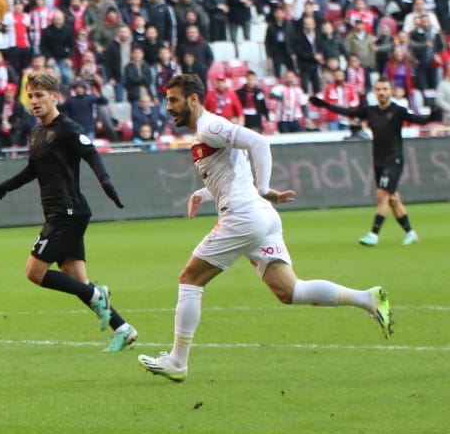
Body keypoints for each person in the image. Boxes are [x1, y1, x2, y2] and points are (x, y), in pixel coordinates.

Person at [139, 73, 392, 383]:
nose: (169, 107)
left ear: (193, 99)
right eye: (167, 100)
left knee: (190, 278)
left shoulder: (210, 126)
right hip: (260, 216)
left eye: (174, 100)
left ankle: (177, 361)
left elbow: (258, 141)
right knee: (290, 291)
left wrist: (264, 186)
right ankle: (366, 298)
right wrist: (203, 194)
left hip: (244, 216)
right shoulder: (205, 133)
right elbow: (234, 174)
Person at [0, 71, 137, 352]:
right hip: (60, 212)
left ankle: (98, 294)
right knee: (77, 279)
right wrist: (6, 186)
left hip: (67, 213)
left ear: (54, 96)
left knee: (34, 272)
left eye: (40, 95)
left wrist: (106, 182)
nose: (34, 101)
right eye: (31, 95)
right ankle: (123, 328)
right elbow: (33, 170)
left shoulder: (67, 127)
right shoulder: (38, 131)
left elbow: (90, 153)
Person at [309, 76, 441, 246]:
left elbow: (419, 120)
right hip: (378, 159)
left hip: (394, 159)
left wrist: (432, 116)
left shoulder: (398, 111)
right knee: (393, 198)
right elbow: (348, 112)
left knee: (382, 195)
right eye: (378, 89)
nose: (381, 92)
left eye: (385, 89)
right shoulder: (369, 111)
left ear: (390, 91)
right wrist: (324, 105)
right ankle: (410, 232)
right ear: (375, 92)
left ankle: (374, 234)